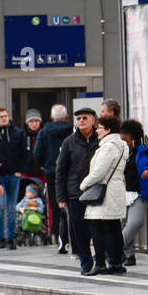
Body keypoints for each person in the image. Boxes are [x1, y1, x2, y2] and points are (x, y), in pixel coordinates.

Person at [80, 114, 129, 276]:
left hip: (105, 191)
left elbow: (99, 172)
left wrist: (84, 184)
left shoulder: (108, 147)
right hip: (116, 189)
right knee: (114, 227)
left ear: (108, 130)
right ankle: (116, 263)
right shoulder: (122, 145)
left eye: (99, 128)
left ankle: (100, 263)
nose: (97, 131)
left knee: (97, 228)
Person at [56, 107, 99, 275]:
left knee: (96, 228)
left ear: (93, 120)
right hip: (75, 193)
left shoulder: (100, 139)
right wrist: (60, 196)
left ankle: (100, 261)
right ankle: (85, 262)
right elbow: (61, 171)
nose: (81, 121)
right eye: (79, 118)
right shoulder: (69, 142)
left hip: (96, 192)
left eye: (85, 118)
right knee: (79, 230)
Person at [119, 120, 148, 266]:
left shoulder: (145, 151)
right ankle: (129, 255)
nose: (123, 142)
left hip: (140, 192)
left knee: (134, 222)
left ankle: (114, 249)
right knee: (123, 224)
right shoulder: (119, 152)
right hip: (121, 192)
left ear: (133, 139)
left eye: (126, 139)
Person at [0, 107, 26, 250]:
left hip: (13, 175)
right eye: (1, 116)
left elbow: (23, 153)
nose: (4, 118)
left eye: (5, 116)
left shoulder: (18, 133)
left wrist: (20, 171)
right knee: (0, 206)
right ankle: (0, 237)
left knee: (11, 208)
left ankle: (10, 238)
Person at [34, 104, 72, 253]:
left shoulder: (44, 132)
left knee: (56, 205)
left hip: (52, 171)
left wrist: (46, 164)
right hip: (70, 171)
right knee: (71, 203)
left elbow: (37, 153)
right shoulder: (71, 131)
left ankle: (57, 235)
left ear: (51, 117)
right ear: (66, 117)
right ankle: (70, 235)